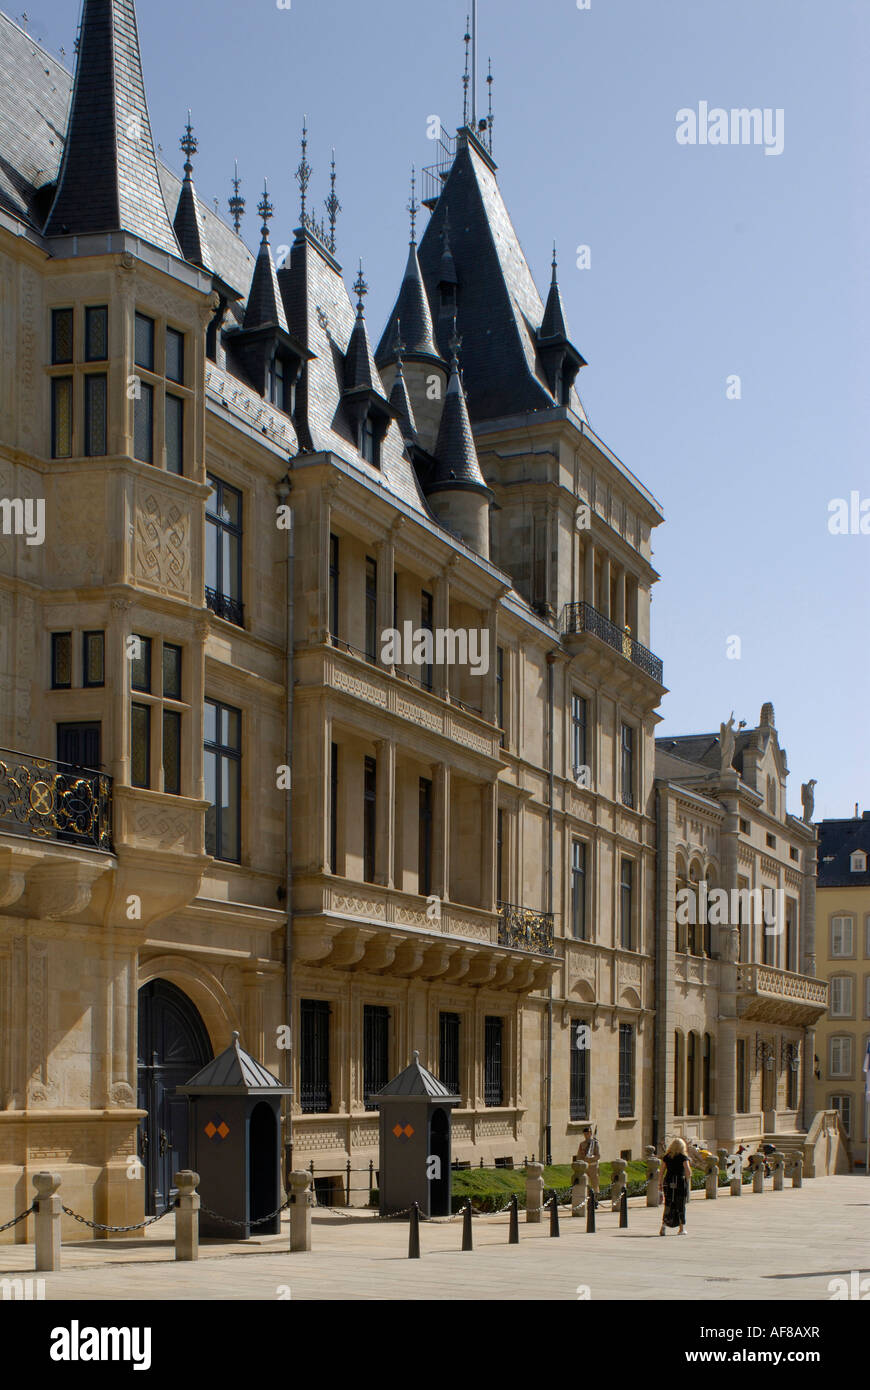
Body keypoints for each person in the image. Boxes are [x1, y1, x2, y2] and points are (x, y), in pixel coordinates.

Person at [659, 1137, 692, 1236]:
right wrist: (687, 1178)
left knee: (668, 1204)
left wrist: (660, 1184)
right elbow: (688, 1172)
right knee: (680, 1204)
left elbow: (661, 1171)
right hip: (680, 1182)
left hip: (668, 1182)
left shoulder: (667, 1157)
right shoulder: (683, 1157)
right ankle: (681, 1228)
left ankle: (664, 1225)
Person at [575, 1125, 600, 1205]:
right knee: (586, 1183)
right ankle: (587, 1199)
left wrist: (591, 1158)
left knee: (594, 1183)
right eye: (585, 1133)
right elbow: (579, 1156)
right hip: (585, 1166)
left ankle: (595, 1200)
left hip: (593, 1166)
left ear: (591, 1133)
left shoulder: (595, 1143)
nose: (587, 1135)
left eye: (588, 1133)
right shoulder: (582, 1144)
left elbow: (598, 1156)